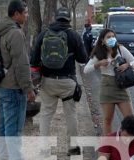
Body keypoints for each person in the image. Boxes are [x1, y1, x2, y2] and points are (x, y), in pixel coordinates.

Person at [30, 7, 88, 156]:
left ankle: (44, 149)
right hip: (67, 82)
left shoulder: (44, 34)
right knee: (71, 115)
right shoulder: (73, 35)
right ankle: (73, 148)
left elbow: (33, 59)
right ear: (68, 19)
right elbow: (83, 59)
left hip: (47, 82)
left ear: (55, 18)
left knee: (46, 115)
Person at [0, 1, 35, 159]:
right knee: (14, 131)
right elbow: (21, 64)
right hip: (13, 88)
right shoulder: (15, 33)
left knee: (3, 128)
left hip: (1, 85)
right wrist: (28, 89)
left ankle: (3, 157)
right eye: (25, 12)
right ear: (16, 14)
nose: (27, 15)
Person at [83, 28, 134, 135]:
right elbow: (86, 70)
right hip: (107, 87)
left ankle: (128, 141)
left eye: (113, 37)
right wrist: (98, 64)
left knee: (130, 119)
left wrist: (128, 65)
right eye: (108, 37)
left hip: (121, 87)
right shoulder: (98, 53)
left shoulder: (121, 49)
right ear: (102, 40)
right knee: (107, 120)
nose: (111, 39)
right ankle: (108, 146)